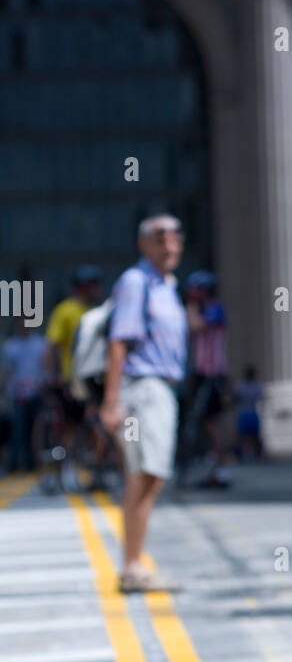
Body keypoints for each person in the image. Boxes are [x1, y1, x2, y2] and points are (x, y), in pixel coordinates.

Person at [99, 215, 187, 593]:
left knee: (151, 476)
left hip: (161, 389)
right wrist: (111, 401)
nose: (168, 246)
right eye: (159, 239)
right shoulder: (136, 281)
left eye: (174, 239)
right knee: (143, 475)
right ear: (143, 245)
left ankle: (134, 563)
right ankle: (132, 567)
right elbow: (119, 342)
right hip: (142, 388)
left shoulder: (167, 285)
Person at [43, 264, 104, 488]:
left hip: (96, 379)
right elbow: (52, 346)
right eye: (94, 285)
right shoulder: (65, 310)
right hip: (72, 379)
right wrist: (53, 376)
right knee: (70, 426)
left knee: (99, 425)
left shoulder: (98, 312)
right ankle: (69, 469)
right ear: (83, 287)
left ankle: (95, 469)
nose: (98, 289)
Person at [184, 270, 232, 488]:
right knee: (204, 423)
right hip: (201, 375)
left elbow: (194, 326)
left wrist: (191, 307)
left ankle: (220, 470)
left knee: (213, 424)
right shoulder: (205, 309)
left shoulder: (215, 309)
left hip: (213, 376)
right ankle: (213, 466)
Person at [1, 317, 46, 472]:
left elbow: (45, 366)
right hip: (18, 394)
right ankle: (15, 462)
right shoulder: (10, 346)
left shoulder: (40, 344)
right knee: (18, 429)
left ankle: (33, 462)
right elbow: (7, 371)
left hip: (37, 392)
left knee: (36, 430)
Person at [234, 365, 264, 461]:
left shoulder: (240, 386)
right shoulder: (257, 386)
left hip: (244, 412)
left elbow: (236, 399)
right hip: (252, 412)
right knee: (254, 435)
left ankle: (242, 454)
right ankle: (257, 454)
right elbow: (262, 397)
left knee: (243, 436)